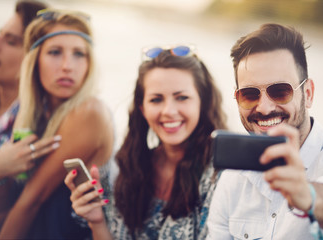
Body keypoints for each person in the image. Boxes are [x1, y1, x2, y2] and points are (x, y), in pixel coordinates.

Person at [207, 23, 323, 239]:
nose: (265, 107)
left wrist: (306, 194)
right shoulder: (233, 178)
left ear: (309, 93)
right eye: (249, 94)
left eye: (280, 91)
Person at [65, 45, 227, 239]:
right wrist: (96, 221)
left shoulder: (221, 177)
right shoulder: (125, 167)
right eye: (156, 100)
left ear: (202, 102)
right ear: (142, 109)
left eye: (182, 97)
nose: (168, 110)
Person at [0, 9, 115, 239]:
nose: (67, 66)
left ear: (89, 63)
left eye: (79, 54)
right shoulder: (30, 113)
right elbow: (6, 204)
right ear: (34, 60)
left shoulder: (89, 112)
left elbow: (30, 202)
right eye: (54, 52)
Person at [0, 0, 62, 232]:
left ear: (35, 58)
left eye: (11, 41)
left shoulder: (36, 123)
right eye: (0, 34)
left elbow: (11, 210)